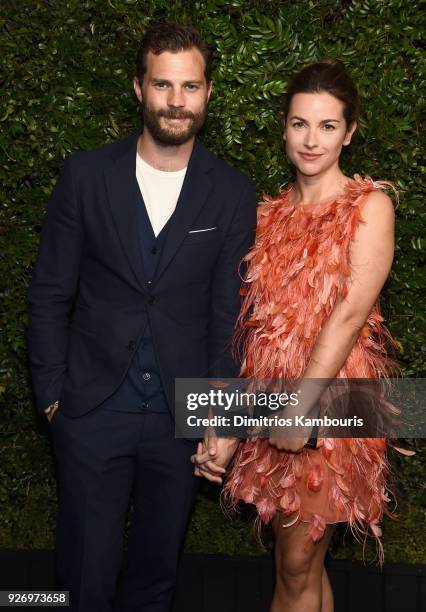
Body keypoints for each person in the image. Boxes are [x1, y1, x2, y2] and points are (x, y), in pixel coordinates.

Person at [27, 21, 257, 612]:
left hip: (181, 423)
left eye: (189, 87)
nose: (175, 102)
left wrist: (222, 418)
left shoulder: (231, 193)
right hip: (91, 411)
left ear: (207, 92)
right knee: (82, 580)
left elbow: (227, 313)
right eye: (163, 85)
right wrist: (54, 397)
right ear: (139, 88)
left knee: (156, 581)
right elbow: (51, 293)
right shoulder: (86, 176)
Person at [193, 59, 403, 612]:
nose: (312, 140)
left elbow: (351, 313)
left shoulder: (369, 208)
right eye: (300, 124)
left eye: (328, 126)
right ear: (284, 128)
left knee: (295, 562)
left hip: (332, 402)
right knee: (296, 566)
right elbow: (242, 328)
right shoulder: (264, 214)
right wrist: (223, 421)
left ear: (350, 132)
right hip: (267, 396)